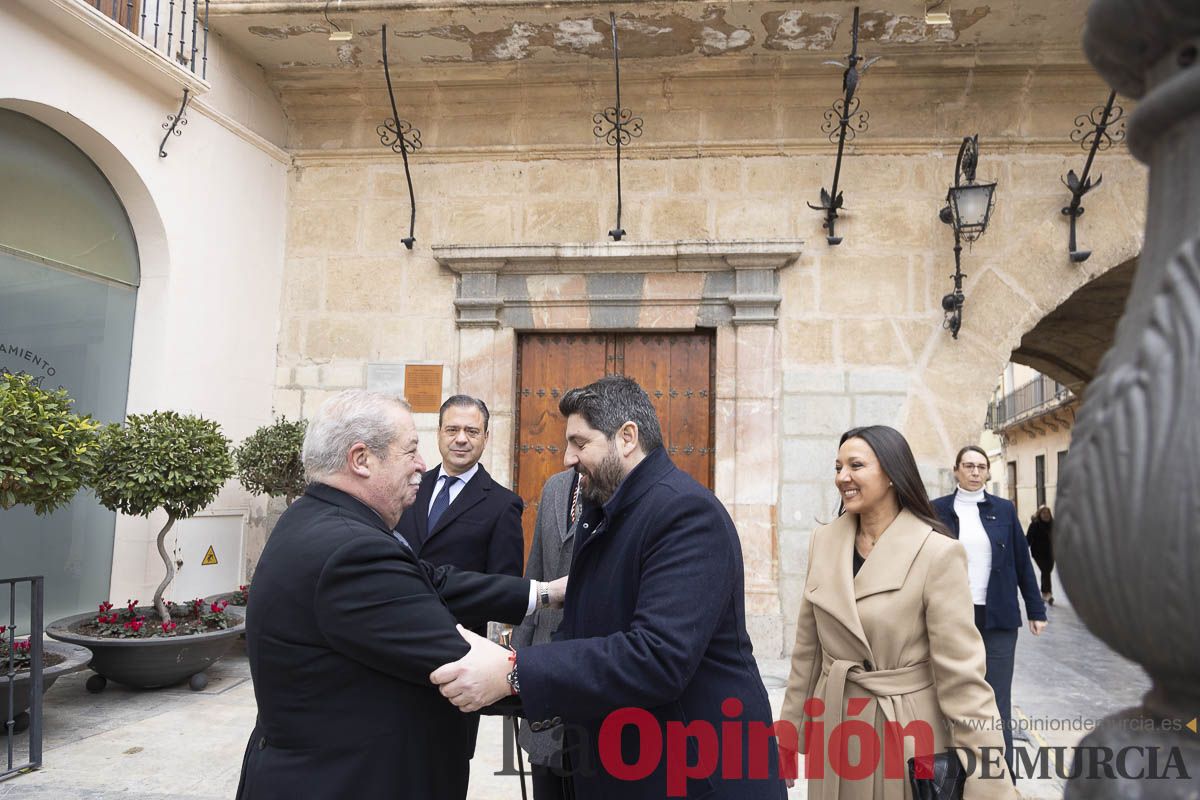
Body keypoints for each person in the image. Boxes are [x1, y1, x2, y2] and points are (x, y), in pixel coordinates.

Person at [431, 375, 786, 800]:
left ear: (627, 438)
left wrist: (514, 673)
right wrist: (491, 678)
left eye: (580, 443)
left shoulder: (686, 514)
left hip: (693, 774)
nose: (567, 458)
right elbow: (579, 634)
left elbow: (657, 658)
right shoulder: (603, 512)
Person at [235, 390, 563, 800]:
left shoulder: (315, 517)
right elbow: (461, 665)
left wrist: (546, 592)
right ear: (361, 460)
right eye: (410, 451)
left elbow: (431, 578)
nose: (422, 465)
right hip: (348, 780)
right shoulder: (353, 551)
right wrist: (567, 670)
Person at [781, 426, 1016, 799]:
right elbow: (807, 653)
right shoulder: (822, 542)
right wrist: (789, 735)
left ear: (891, 473)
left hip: (906, 735)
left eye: (856, 465)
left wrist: (989, 781)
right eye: (838, 466)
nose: (842, 477)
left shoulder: (938, 553)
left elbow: (963, 680)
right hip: (836, 729)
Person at [394, 394, 525, 781]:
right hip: (394, 649)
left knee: (444, 768)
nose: (461, 439)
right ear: (438, 433)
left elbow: (502, 592)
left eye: (471, 431)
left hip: (455, 660)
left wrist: (496, 660)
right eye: (452, 429)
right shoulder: (406, 489)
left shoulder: (502, 505)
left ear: (486, 437)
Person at [932, 445, 1047, 777]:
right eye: (968, 466)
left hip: (997, 617)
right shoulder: (937, 510)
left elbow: (1023, 562)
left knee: (998, 700)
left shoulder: (1004, 510)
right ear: (956, 470)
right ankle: (955, 774)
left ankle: (1001, 776)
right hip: (952, 618)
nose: (975, 472)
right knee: (951, 696)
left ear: (987, 472)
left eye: (981, 466)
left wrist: (1036, 609)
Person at [511, 468, 580, 800]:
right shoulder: (555, 486)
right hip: (543, 676)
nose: (570, 453)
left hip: (592, 679)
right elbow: (535, 571)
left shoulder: (627, 489)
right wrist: (517, 660)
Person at [1025, 506, 1055, 606]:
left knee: (1047, 571)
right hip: (1038, 553)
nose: (1046, 515)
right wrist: (1023, 549)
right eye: (1043, 513)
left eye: (1047, 513)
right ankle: (1048, 594)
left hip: (1051, 553)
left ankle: (1044, 593)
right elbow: (1028, 539)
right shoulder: (1035, 525)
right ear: (1039, 514)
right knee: (1045, 570)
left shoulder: (1053, 524)